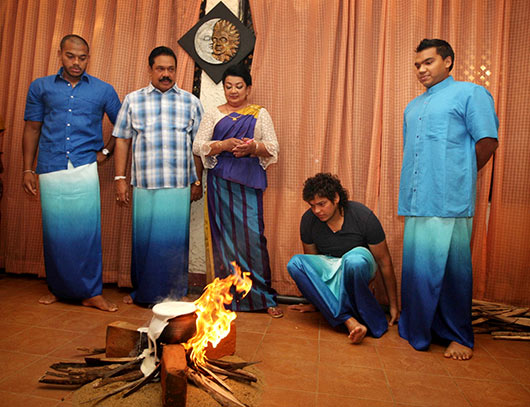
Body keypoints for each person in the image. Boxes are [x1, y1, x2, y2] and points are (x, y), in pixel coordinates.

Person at [398, 39, 499, 360]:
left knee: (452, 271)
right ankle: (417, 328)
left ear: (448, 62)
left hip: (449, 201)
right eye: (417, 65)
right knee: (417, 269)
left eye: (428, 62)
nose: (421, 70)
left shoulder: (471, 93)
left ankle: (458, 336)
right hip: (415, 201)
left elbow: (487, 141)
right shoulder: (412, 107)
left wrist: (460, 176)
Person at [22, 34, 121, 311]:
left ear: (88, 58)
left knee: (86, 232)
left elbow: (123, 126)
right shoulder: (40, 87)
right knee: (55, 232)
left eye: (82, 57)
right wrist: (27, 169)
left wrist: (105, 152)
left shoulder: (103, 90)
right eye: (70, 56)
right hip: (50, 167)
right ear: (60, 54)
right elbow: (31, 129)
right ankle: (59, 288)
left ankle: (91, 292)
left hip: (84, 166)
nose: (76, 62)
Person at [113, 46, 204, 306]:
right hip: (144, 184)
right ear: (150, 69)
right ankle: (143, 292)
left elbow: (198, 146)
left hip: (178, 185)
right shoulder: (133, 100)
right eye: (160, 68)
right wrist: (120, 179)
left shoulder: (191, 101)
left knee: (174, 243)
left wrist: (197, 181)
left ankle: (174, 293)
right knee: (145, 241)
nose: (166, 74)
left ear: (176, 71)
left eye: (171, 69)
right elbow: (122, 141)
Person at [193, 64, 283, 318]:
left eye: (239, 86)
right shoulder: (214, 114)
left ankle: (263, 297)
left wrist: (253, 147)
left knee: (253, 239)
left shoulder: (259, 114)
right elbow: (198, 145)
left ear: (248, 88)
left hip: (249, 183)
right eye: (228, 86)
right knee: (224, 240)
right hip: (220, 184)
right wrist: (222, 145)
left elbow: (273, 147)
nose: (233, 91)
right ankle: (225, 297)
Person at [287, 173, 400, 343]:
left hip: (359, 263)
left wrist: (393, 306)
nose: (317, 210)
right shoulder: (308, 220)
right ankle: (349, 320)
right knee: (295, 263)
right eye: (312, 206)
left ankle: (367, 318)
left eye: (322, 204)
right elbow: (312, 265)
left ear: (336, 198)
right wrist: (316, 299)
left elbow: (384, 263)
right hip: (330, 265)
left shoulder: (362, 216)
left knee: (352, 261)